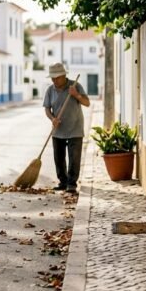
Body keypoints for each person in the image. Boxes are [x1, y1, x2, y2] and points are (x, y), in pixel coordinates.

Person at [43, 62, 90, 193]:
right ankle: (63, 182)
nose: (54, 81)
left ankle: (71, 184)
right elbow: (47, 108)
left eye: (57, 78)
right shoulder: (50, 90)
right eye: (52, 78)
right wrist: (52, 119)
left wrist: (76, 95)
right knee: (58, 158)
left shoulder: (75, 86)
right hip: (58, 129)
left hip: (75, 128)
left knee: (74, 158)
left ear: (64, 75)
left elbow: (87, 103)